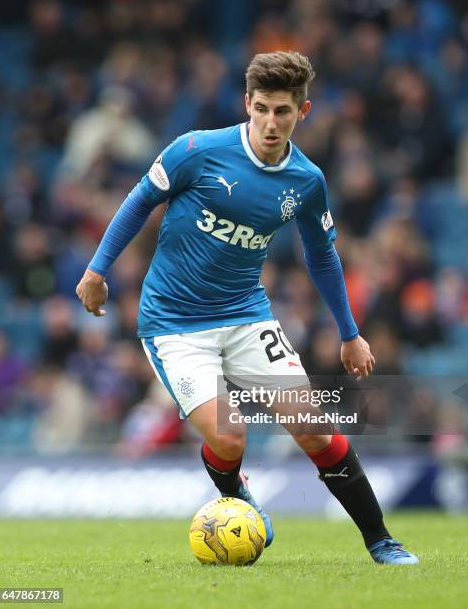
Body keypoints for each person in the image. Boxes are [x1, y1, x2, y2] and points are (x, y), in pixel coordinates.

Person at [76, 51, 418, 565]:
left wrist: (350, 332)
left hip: (246, 314)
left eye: (283, 111)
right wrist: (97, 270)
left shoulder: (306, 181)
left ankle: (381, 541)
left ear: (302, 112)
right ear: (247, 105)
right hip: (174, 323)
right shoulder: (196, 150)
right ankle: (237, 497)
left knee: (314, 427)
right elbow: (140, 200)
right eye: (262, 109)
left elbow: (322, 255)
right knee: (231, 434)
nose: (271, 122)